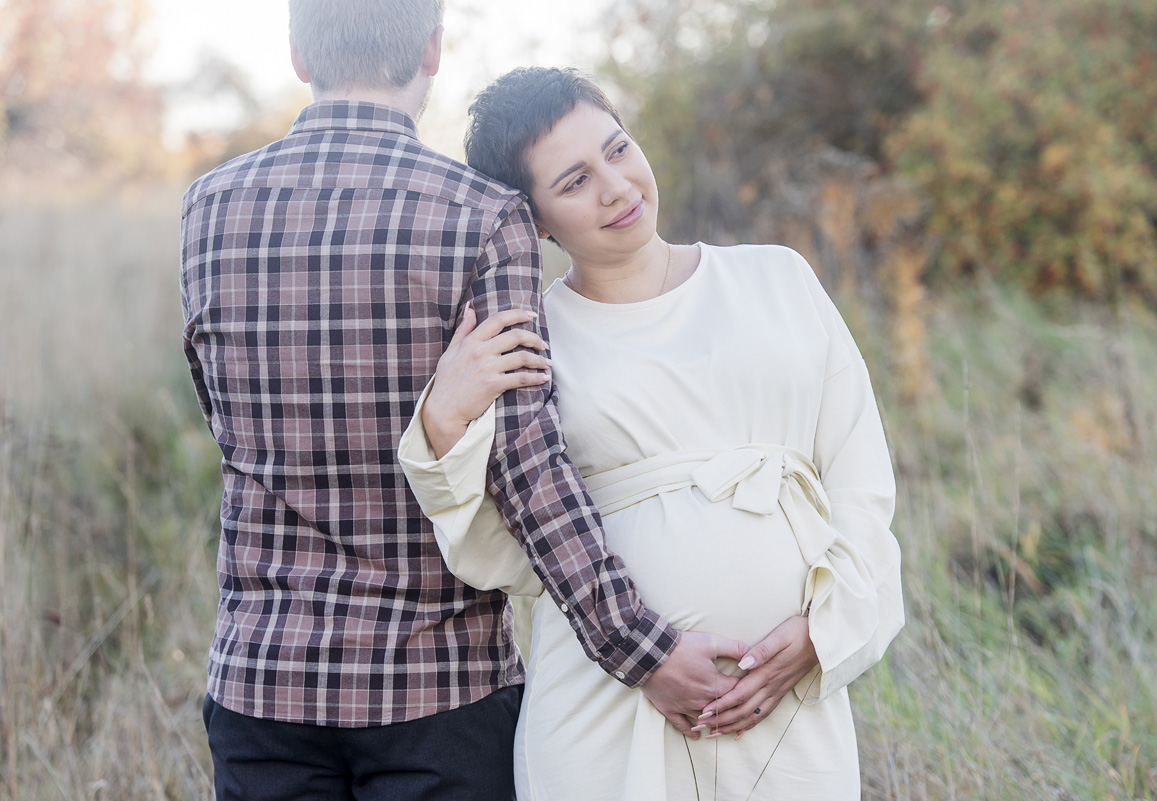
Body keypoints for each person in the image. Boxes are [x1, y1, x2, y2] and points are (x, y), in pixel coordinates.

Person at [179, 4, 744, 799]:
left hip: (262, 678)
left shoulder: (209, 206)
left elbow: (225, 422)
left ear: (299, 57)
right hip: (436, 691)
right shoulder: (481, 215)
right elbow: (525, 463)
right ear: (434, 51)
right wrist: (640, 649)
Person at [397, 67, 905, 800]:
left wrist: (822, 635)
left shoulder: (778, 281)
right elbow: (509, 554)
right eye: (573, 181)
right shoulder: (533, 342)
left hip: (786, 696)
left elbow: (863, 485)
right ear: (532, 219)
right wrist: (445, 422)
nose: (617, 187)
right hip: (611, 706)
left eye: (617, 148)